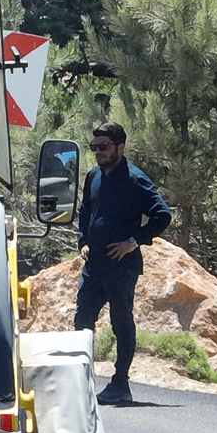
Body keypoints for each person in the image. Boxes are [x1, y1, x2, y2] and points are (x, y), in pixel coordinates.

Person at [75, 122, 173, 405]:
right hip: (94, 266)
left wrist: (133, 241)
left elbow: (161, 215)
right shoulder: (93, 176)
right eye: (94, 147)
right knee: (82, 323)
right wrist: (83, 241)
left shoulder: (134, 179)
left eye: (103, 147)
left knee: (121, 324)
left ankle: (120, 384)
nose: (98, 153)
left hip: (121, 267)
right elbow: (85, 210)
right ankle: (80, 382)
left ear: (120, 147)